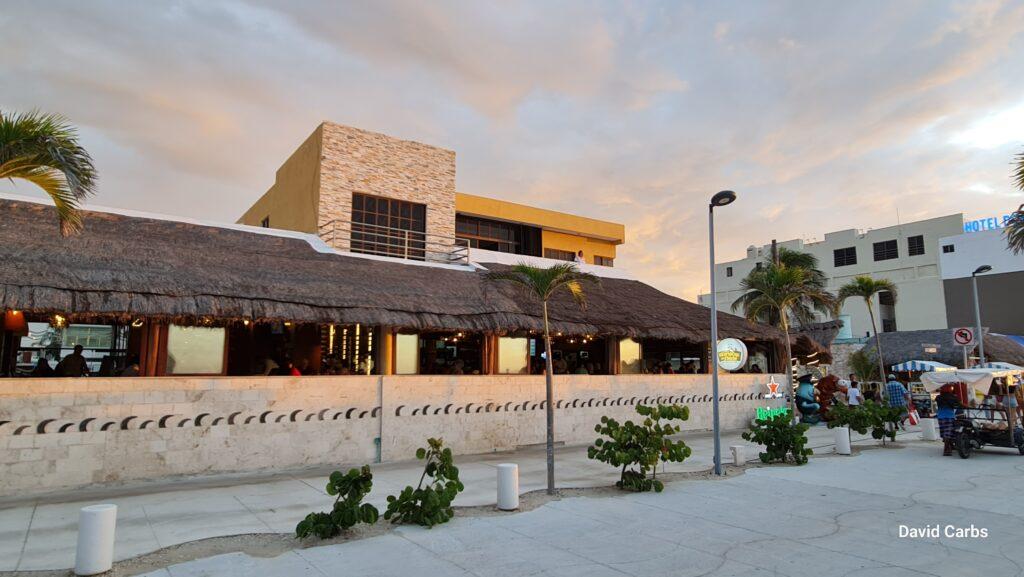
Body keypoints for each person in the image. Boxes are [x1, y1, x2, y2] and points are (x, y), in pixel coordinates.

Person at [935, 384, 963, 456]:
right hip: (949, 416)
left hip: (940, 417)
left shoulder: (938, 397)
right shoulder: (952, 397)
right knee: (948, 433)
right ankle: (946, 450)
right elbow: (959, 405)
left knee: (944, 432)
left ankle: (950, 447)